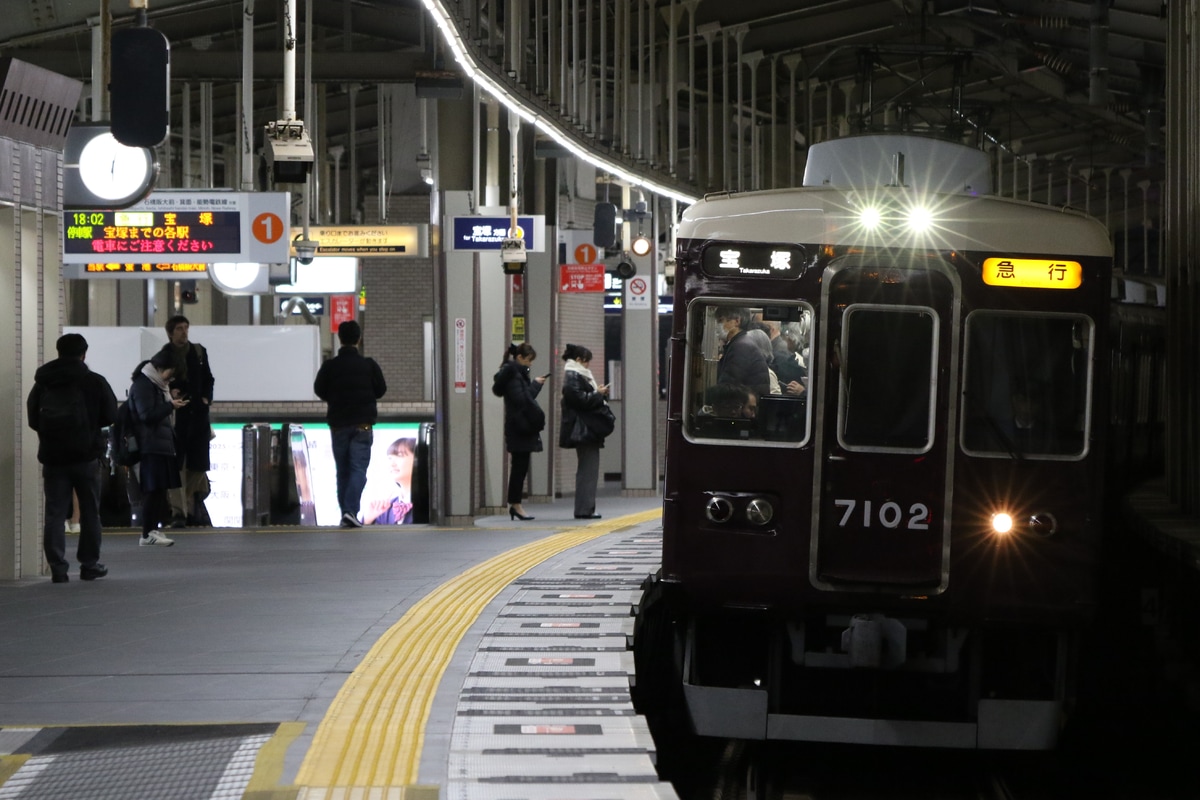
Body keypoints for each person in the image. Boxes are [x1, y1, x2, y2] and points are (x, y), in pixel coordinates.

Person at [26, 333, 119, 583]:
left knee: (55, 514)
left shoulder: (44, 382)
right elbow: (111, 415)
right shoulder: (94, 381)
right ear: (83, 354)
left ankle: (58, 568)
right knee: (90, 512)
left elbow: (33, 419)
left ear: (59, 352)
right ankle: (89, 565)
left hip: (53, 458)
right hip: (86, 457)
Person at [313, 319, 388, 528]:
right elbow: (381, 389)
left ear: (339, 339)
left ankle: (347, 513)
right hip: (362, 425)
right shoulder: (369, 365)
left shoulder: (330, 366)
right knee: (358, 470)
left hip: (338, 425)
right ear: (359, 339)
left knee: (343, 470)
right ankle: (350, 511)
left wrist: (334, 398)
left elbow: (319, 389)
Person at [159, 315, 216, 529]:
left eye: (186, 328)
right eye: (179, 329)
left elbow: (208, 378)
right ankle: (179, 513)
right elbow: (157, 381)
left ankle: (180, 500)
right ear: (170, 333)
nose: (184, 332)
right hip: (177, 415)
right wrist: (169, 392)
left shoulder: (198, 352)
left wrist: (206, 398)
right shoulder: (164, 356)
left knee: (199, 466)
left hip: (198, 415)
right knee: (176, 466)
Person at [129, 350, 189, 546]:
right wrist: (170, 406)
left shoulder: (156, 385)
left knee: (159, 490)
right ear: (162, 366)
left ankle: (152, 530)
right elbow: (146, 415)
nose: (171, 378)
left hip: (159, 445)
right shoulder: (143, 385)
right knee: (152, 490)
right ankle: (147, 534)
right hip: (149, 446)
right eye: (171, 373)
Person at [492, 342, 547, 521]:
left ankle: (516, 505)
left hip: (518, 426)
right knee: (519, 468)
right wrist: (536, 385)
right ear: (519, 357)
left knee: (520, 467)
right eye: (528, 360)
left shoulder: (515, 374)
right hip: (519, 427)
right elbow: (522, 401)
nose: (530, 364)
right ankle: (515, 505)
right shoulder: (513, 375)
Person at [559, 343, 613, 520]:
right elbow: (580, 400)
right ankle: (584, 509)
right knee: (588, 471)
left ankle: (586, 508)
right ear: (579, 360)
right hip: (584, 430)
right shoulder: (573, 376)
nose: (588, 365)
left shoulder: (576, 375)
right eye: (587, 361)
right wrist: (598, 394)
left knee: (587, 470)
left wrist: (598, 393)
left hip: (585, 430)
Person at [714, 307, 770, 397]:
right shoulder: (741, 343)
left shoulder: (740, 347)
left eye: (721, 320)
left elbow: (729, 385)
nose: (717, 325)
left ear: (737, 321)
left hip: (745, 403)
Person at [362, 437, 416, 525]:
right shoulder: (384, 509)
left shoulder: (432, 504)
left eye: (400, 455)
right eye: (390, 458)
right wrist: (367, 521)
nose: (392, 464)